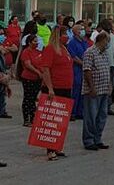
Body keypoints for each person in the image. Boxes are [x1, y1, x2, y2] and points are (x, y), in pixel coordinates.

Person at [40, 26, 73, 160]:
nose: (66, 36)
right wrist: (50, 88)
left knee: (61, 120)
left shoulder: (64, 49)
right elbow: (45, 69)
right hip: (55, 88)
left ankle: (57, 145)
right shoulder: (50, 49)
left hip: (66, 87)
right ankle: (50, 149)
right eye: (64, 34)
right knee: (52, 120)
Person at [82, 31, 111, 151]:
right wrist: (91, 87)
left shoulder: (104, 53)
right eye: (107, 41)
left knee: (102, 116)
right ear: (101, 40)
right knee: (91, 116)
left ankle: (97, 139)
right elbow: (87, 70)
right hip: (94, 90)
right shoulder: (90, 52)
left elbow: (107, 69)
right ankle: (88, 140)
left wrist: (109, 85)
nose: (108, 43)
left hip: (104, 89)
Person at [93, 19, 114, 116]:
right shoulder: (99, 35)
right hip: (103, 64)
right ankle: (102, 106)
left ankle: (108, 105)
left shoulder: (113, 36)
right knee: (103, 85)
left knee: (110, 85)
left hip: (112, 64)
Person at [19, 34, 43, 126]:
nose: (36, 43)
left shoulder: (38, 52)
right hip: (28, 78)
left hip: (37, 79)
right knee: (28, 98)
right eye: (34, 41)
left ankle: (33, 118)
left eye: (37, 41)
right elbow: (28, 64)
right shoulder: (26, 52)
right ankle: (26, 119)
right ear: (29, 42)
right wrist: (37, 72)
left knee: (33, 99)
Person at [67, 24, 88, 120]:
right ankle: (73, 112)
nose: (83, 31)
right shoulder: (72, 43)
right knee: (75, 90)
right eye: (81, 29)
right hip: (76, 69)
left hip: (84, 69)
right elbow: (73, 56)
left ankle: (81, 111)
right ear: (76, 32)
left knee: (82, 91)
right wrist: (83, 63)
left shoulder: (84, 42)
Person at [0, 42, 12, 119]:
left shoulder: (2, 56)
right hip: (1, 76)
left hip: (2, 76)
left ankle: (2, 111)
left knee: (2, 94)